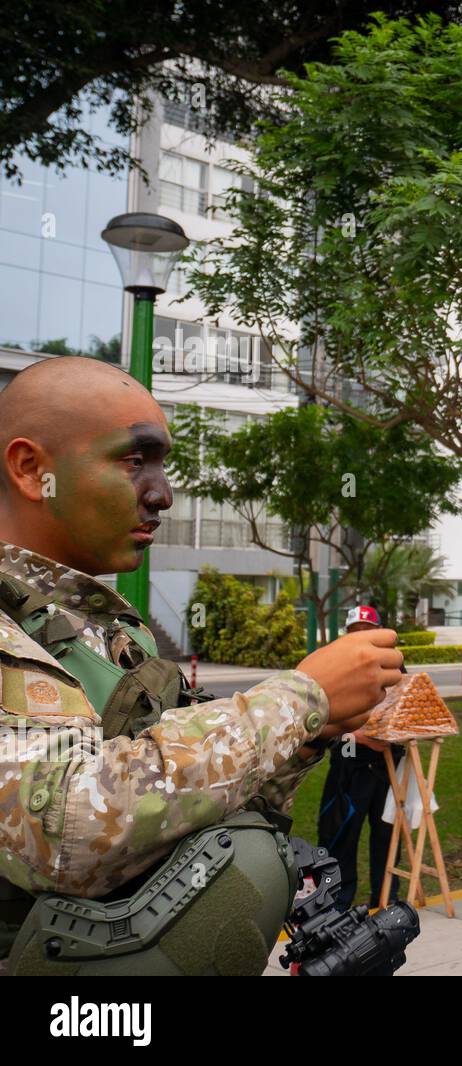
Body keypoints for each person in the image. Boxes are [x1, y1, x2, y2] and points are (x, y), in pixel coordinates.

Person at [0, 357, 403, 975]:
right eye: (134, 462)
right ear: (32, 469)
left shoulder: (106, 634)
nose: (161, 494)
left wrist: (308, 735)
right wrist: (300, 699)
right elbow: (65, 834)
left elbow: (189, 809)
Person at [315, 605, 406, 912]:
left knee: (388, 836)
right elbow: (320, 721)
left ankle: (386, 901)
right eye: (356, 632)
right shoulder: (338, 670)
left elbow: (406, 713)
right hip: (351, 764)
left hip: (389, 765)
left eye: (369, 631)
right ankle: (336, 906)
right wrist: (357, 737)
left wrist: (396, 735)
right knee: (340, 835)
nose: (363, 637)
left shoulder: (396, 669)